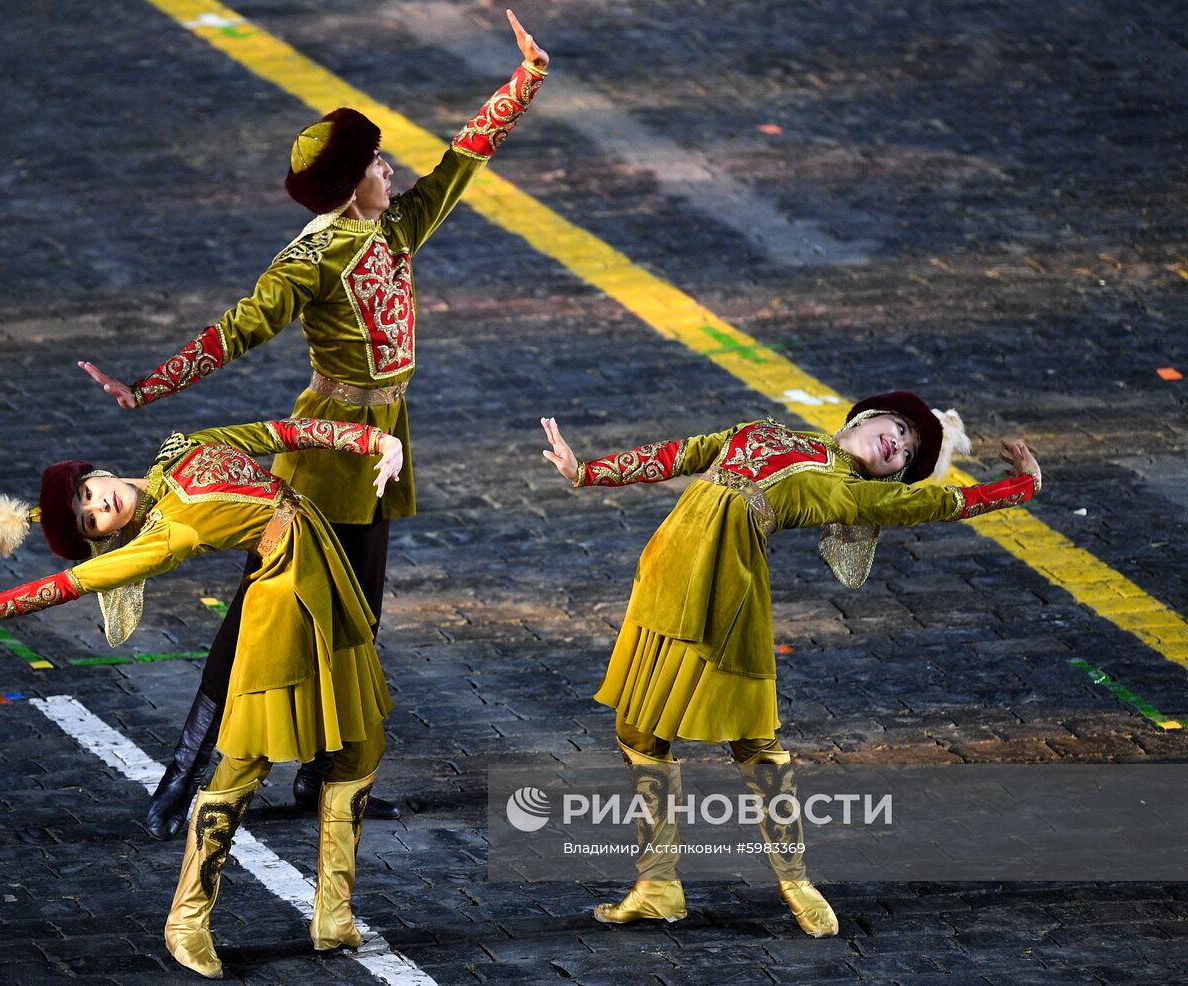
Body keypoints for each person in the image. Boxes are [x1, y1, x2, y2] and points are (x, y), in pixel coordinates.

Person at [76, 8, 551, 833]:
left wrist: (526, 79)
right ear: (349, 184)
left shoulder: (396, 224)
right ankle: (182, 775)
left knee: (358, 617)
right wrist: (147, 389)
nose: (389, 167)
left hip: (385, 441)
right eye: (375, 162)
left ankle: (326, 777)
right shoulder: (312, 256)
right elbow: (240, 327)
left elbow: (463, 159)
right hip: (324, 446)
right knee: (255, 618)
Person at [539, 393, 1042, 938]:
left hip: (723, 597)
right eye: (900, 428)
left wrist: (1019, 488)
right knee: (636, 733)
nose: (898, 444)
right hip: (663, 583)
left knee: (752, 742)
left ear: (891, 475)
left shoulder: (846, 491)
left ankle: (795, 881)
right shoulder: (762, 429)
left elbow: (934, 503)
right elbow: (680, 454)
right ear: (868, 416)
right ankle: (657, 886)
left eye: (906, 454)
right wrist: (584, 471)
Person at [0, 418, 403, 977]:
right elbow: (73, 584)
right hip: (281, 609)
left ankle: (333, 914)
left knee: (364, 744)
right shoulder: (165, 532)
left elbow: (279, 433)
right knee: (247, 760)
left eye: (87, 493)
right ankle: (186, 922)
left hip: (325, 579)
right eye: (90, 520)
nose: (99, 505)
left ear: (95, 473)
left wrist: (375, 441)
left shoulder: (185, 446)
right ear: (102, 537)